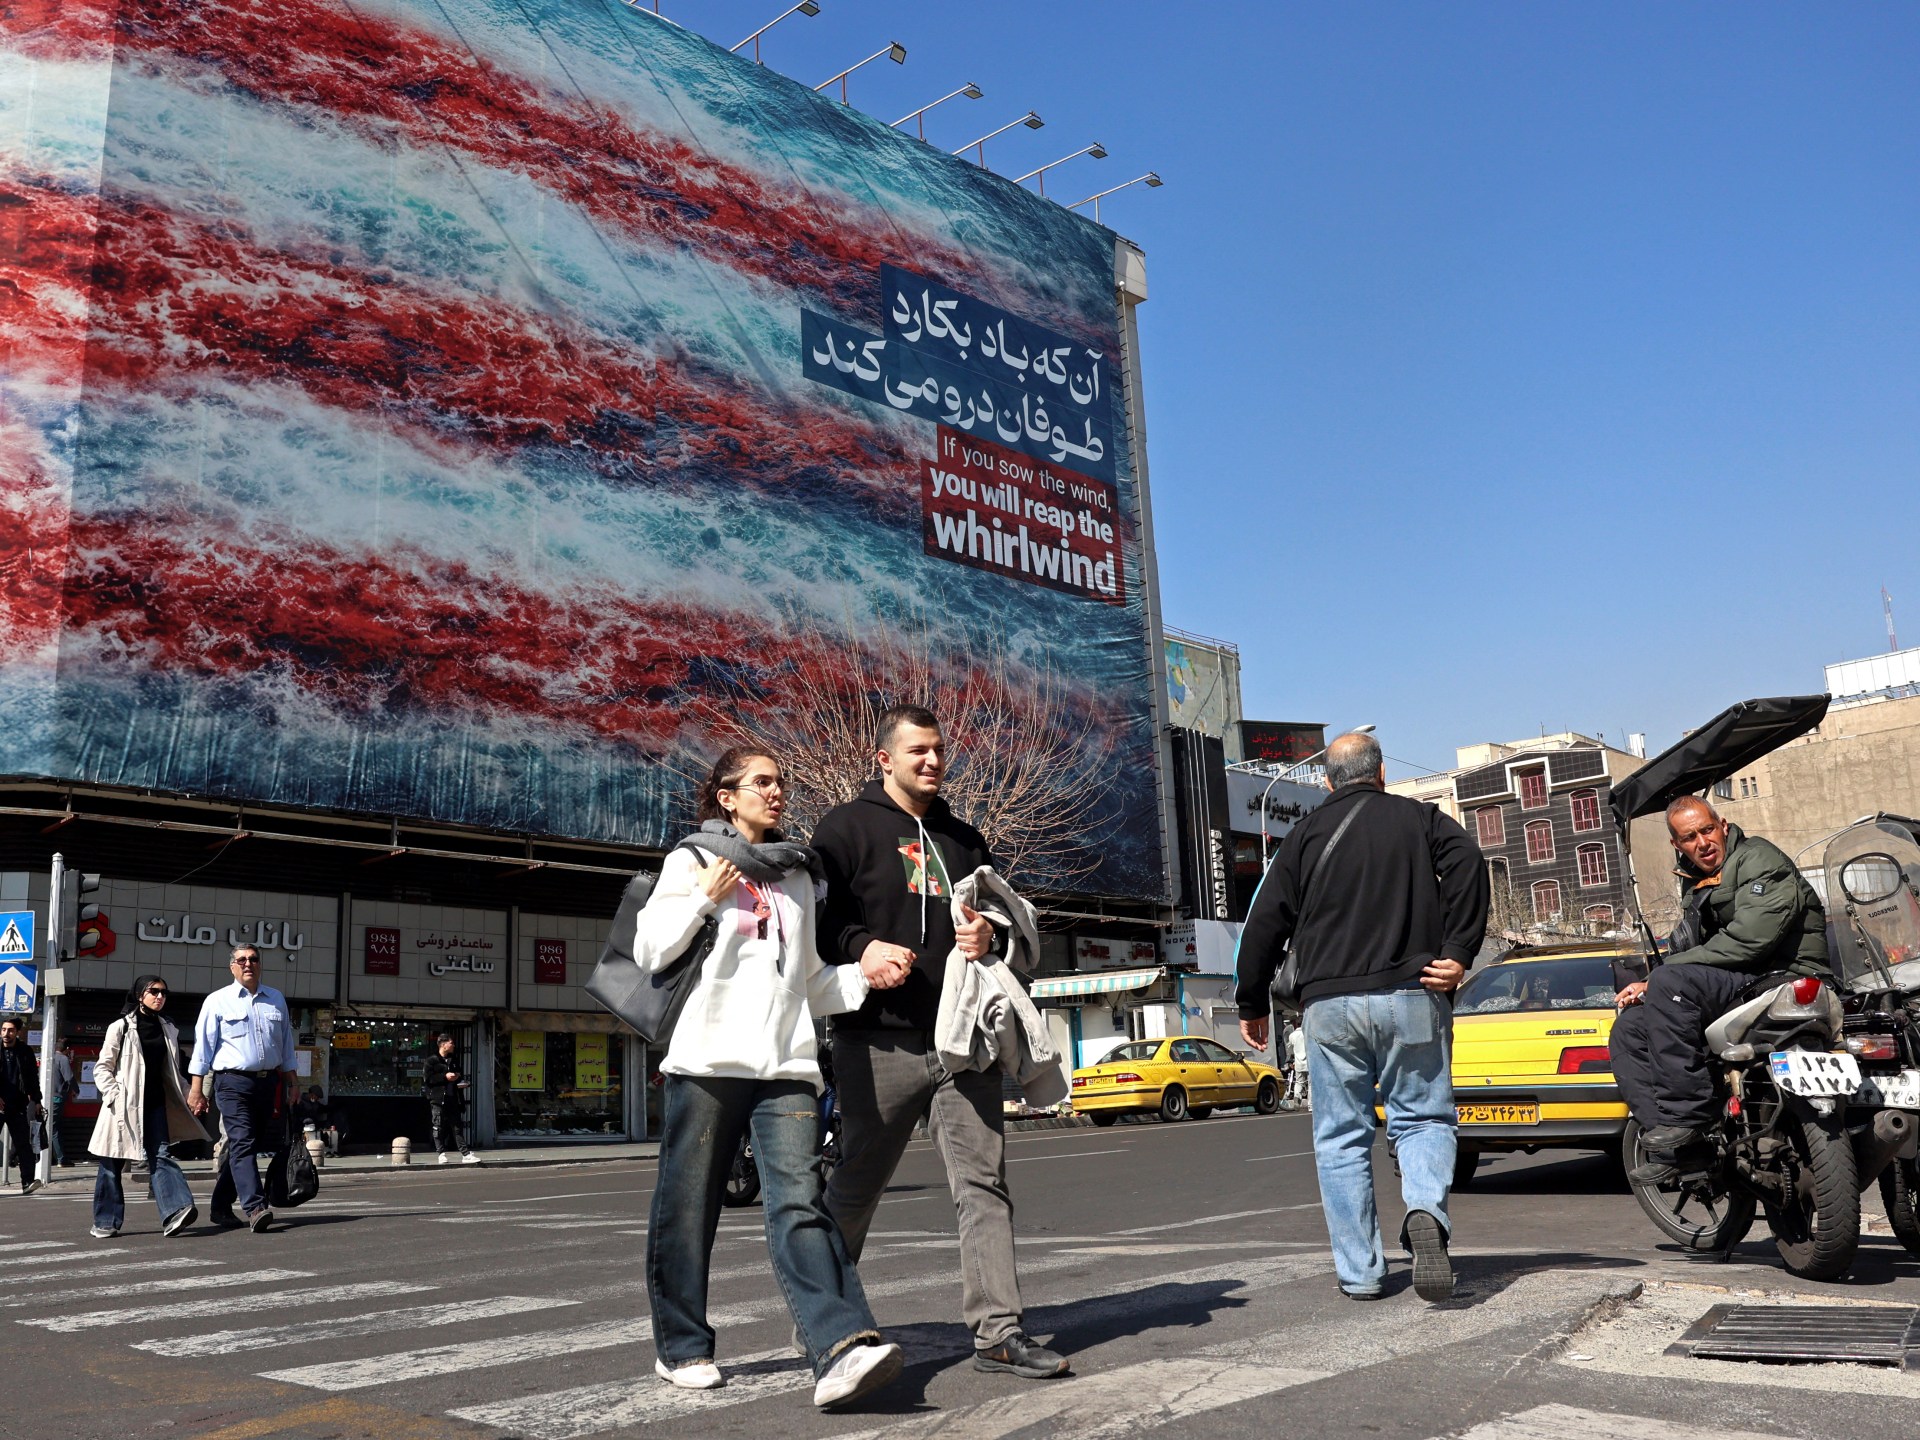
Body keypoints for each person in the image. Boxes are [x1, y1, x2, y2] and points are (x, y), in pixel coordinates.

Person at [637, 746, 906, 1410]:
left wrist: (862, 975)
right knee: (688, 1207)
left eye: (780, 782)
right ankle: (682, 1347)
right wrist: (702, 900)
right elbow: (650, 951)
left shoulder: (795, 877)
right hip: (708, 1062)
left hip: (785, 1064)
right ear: (727, 796)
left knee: (801, 1202)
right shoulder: (692, 861)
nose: (776, 791)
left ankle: (840, 1348)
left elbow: (806, 981)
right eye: (761, 782)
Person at [814, 704, 1069, 1380]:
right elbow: (820, 922)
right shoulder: (844, 829)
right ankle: (826, 1325)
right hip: (876, 1042)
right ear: (884, 759)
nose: (932, 761)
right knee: (856, 1186)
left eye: (938, 750)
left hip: (964, 1041)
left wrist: (989, 934)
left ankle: (998, 1334)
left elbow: (997, 916)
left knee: (984, 1186)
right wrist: (863, 948)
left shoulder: (965, 839)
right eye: (917, 751)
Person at [1235, 731, 1488, 1303]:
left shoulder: (1302, 837)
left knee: (1341, 1139)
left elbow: (1264, 922)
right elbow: (1469, 863)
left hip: (1329, 1006)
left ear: (1328, 781)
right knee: (1422, 1119)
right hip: (1413, 993)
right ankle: (1425, 1212)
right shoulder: (1421, 820)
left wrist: (1251, 1003)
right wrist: (1458, 951)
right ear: (1381, 774)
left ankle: (1362, 1274)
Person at [1611, 797, 1829, 1182]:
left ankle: (1688, 1116)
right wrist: (1655, 980)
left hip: (1780, 973)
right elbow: (1704, 952)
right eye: (1689, 837)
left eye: (1707, 830)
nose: (1702, 843)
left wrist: (1663, 973)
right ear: (1677, 844)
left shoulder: (1758, 859)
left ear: (1723, 826)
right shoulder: (1696, 879)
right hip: (1741, 978)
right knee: (1629, 1030)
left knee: (1669, 983)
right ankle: (1682, 1150)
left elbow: (1751, 940)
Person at [186, 944, 297, 1232]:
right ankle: (255, 1207)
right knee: (243, 1141)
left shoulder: (276, 999)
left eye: (253, 959)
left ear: (260, 964)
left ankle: (221, 1206)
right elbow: (203, 1048)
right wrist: (197, 1090)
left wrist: (293, 1082)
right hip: (232, 1082)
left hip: (267, 1082)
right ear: (232, 967)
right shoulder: (217, 1001)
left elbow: (286, 1045)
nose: (248, 964)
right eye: (242, 960)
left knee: (247, 1145)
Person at [87, 974, 207, 1239]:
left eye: (164, 992)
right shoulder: (120, 1027)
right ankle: (106, 1221)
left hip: (155, 1105)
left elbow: (173, 1073)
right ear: (140, 995)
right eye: (154, 992)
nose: (160, 997)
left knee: (161, 1155)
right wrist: (114, 1094)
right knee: (111, 1163)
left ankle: (176, 1211)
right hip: (123, 1106)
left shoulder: (168, 1029)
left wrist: (192, 1094)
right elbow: (102, 1068)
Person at [0, 1019, 45, 1194]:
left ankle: (27, 1182)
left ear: (17, 1032)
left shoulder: (25, 1051)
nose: (6, 1033)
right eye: (3, 1029)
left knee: (24, 1145)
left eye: (10, 1030)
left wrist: (37, 1100)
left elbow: (33, 1077)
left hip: (17, 1104)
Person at [423, 1034, 479, 1164]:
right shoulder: (431, 1061)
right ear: (443, 1045)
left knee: (457, 1127)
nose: (453, 1045)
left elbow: (459, 1075)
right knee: (438, 1126)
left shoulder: (453, 1059)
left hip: (453, 1097)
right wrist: (444, 1076)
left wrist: (458, 1079)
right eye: (451, 1043)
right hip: (438, 1099)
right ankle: (441, 1153)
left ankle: (465, 1154)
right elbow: (428, 1079)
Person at [48, 1041, 77, 1168]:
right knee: (55, 1128)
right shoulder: (63, 1058)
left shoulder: (49, 1057)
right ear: (67, 1049)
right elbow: (69, 1077)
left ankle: (53, 1157)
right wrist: (76, 1090)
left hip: (47, 1097)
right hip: (57, 1098)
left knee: (52, 1127)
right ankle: (61, 1159)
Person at [1285, 1022, 1310, 1109]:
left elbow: (1289, 1050)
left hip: (1298, 1063)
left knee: (1299, 1082)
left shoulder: (1292, 1035)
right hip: (1309, 1063)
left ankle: (1296, 1097)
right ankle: (1311, 1105)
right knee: (1311, 1084)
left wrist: (1291, 1060)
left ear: (1295, 1025)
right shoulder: (1307, 1033)